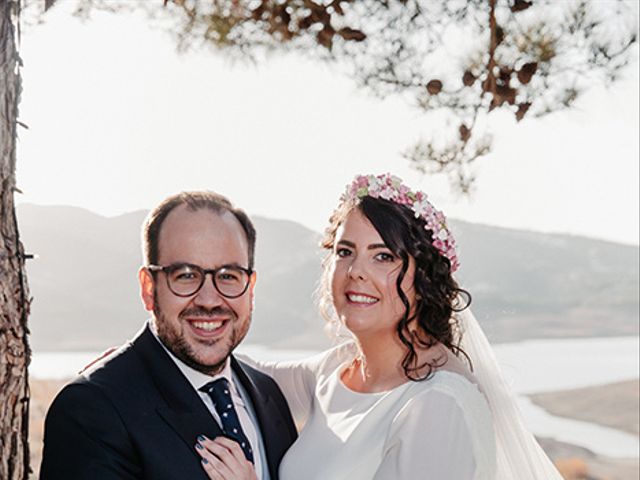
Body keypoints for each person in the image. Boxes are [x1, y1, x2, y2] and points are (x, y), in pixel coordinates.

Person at [196, 173, 564, 480]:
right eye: (345, 252)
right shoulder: (334, 371)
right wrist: (184, 309)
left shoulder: (439, 404)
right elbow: (241, 370)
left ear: (424, 279)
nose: (356, 271)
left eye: (383, 256)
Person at [39, 191, 297, 480]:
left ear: (250, 288)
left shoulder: (267, 394)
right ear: (149, 288)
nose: (209, 300)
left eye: (228, 275)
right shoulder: (91, 410)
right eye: (186, 275)